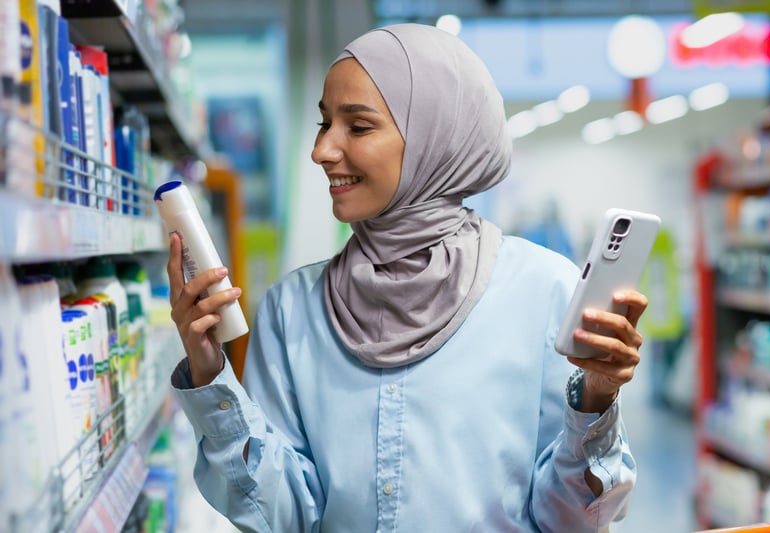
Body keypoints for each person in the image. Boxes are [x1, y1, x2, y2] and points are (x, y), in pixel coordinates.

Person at [167, 23, 647, 532]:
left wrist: (595, 397)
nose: (322, 150)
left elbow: (569, 522)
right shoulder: (293, 310)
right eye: (324, 122)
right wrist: (209, 373)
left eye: (358, 126)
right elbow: (282, 518)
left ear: (432, 138)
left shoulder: (544, 291)